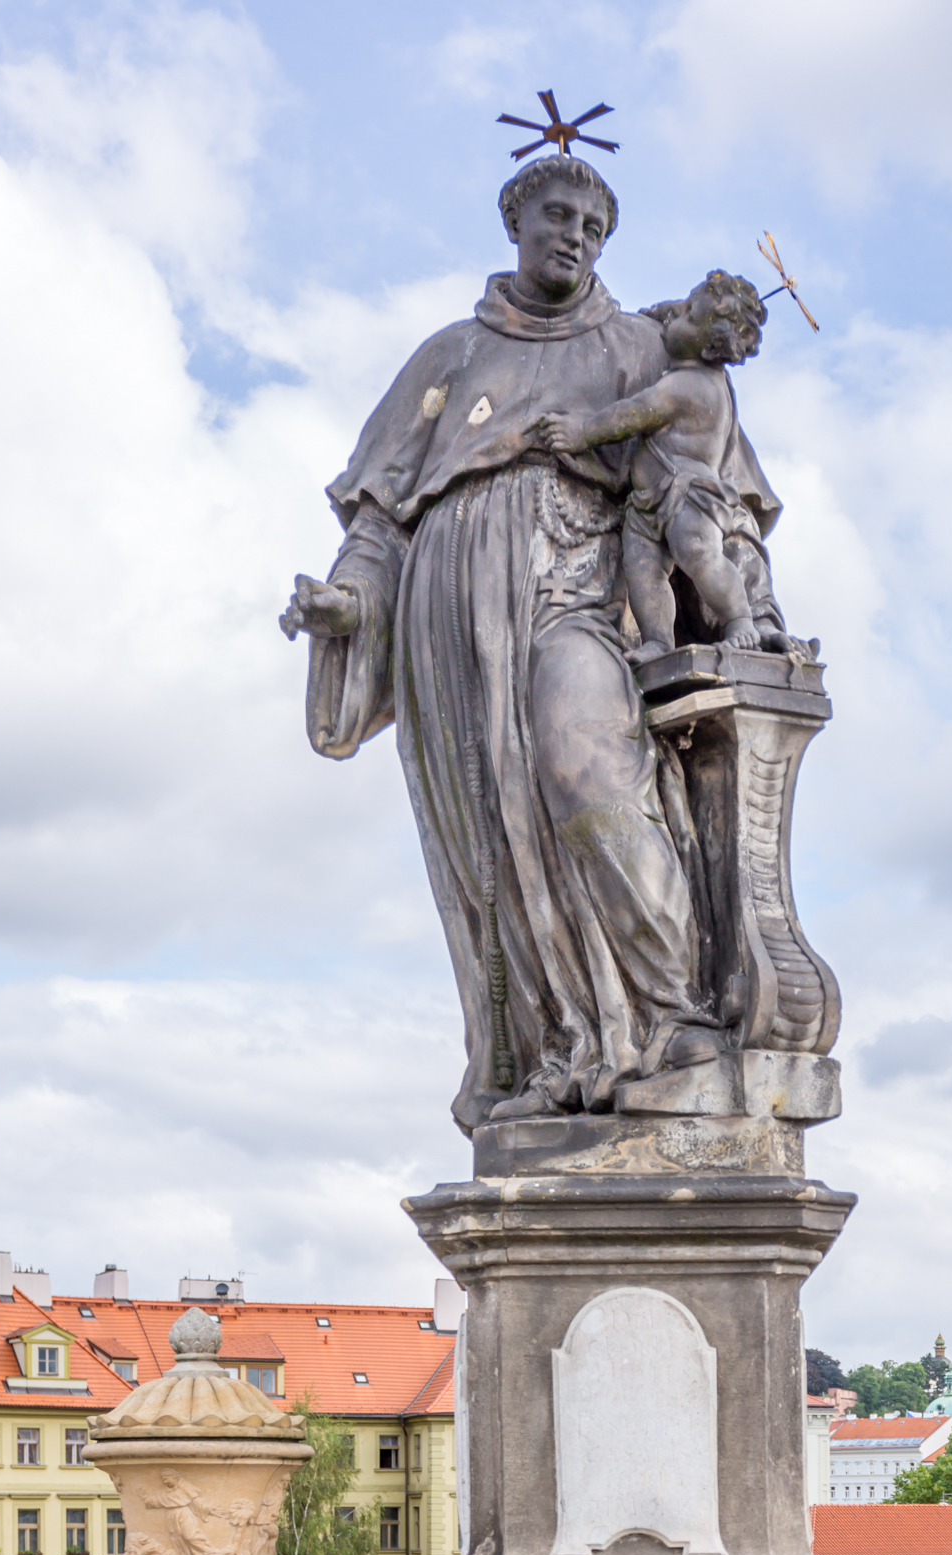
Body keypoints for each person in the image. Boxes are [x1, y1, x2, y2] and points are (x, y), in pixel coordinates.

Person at [282, 159, 790, 1132]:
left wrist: (745, 603)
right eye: (559, 215)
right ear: (515, 219)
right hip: (451, 625)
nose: (575, 237)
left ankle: (669, 1023)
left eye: (594, 226)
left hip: (580, 590)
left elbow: (718, 489)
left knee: (588, 774)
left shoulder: (645, 346)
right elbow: (379, 520)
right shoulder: (449, 356)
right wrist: (347, 602)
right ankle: (555, 1058)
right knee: (495, 844)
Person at [531, 271, 769, 662]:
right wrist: (661, 315)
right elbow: (672, 317)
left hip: (690, 498)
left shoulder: (691, 385)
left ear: (710, 347)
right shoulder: (693, 364)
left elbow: (631, 414)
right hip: (648, 501)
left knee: (701, 558)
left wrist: (580, 432)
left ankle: (740, 619)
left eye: (687, 313)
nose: (675, 312)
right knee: (643, 569)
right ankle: (658, 640)